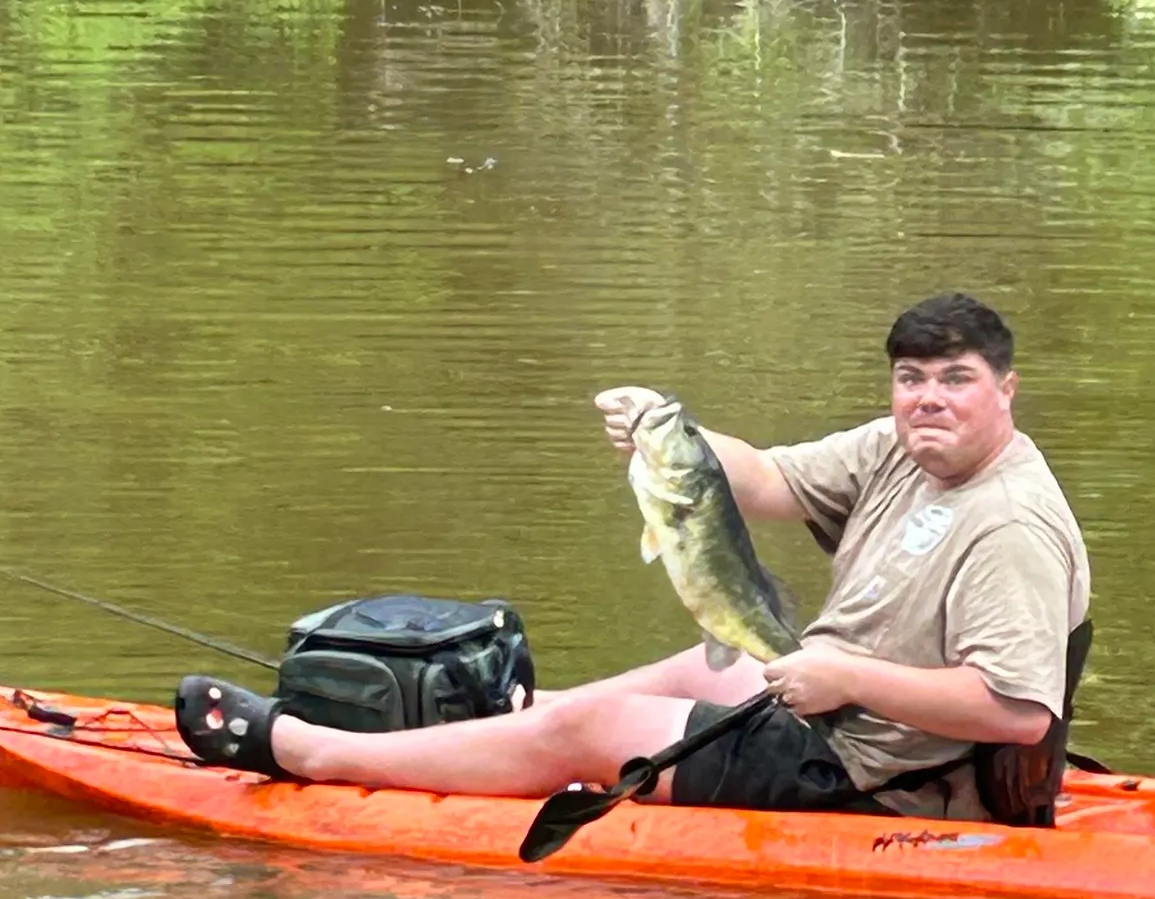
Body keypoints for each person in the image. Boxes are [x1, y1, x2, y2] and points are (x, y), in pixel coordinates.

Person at [175, 292, 1090, 822]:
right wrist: (669, 435)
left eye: (955, 380)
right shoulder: (904, 446)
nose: (927, 399)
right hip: (829, 707)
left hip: (880, 776)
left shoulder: (1010, 527)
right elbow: (763, 478)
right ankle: (464, 733)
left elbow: (1013, 710)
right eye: (911, 378)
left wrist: (843, 675)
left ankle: (310, 752)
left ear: (1005, 390)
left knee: (595, 740)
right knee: (697, 660)